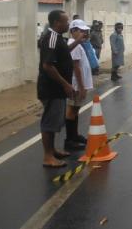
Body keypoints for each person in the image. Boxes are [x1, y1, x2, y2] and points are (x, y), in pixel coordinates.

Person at [37, 10, 84, 167]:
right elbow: (48, 65)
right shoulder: (50, 38)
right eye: (65, 21)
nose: (68, 24)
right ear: (57, 23)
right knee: (49, 123)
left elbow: (64, 53)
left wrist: (77, 41)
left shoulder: (58, 38)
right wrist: (65, 83)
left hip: (58, 89)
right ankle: (47, 156)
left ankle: (53, 151)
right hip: (51, 89)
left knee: (55, 121)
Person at [64, 20, 94, 150]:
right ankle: (69, 140)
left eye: (84, 31)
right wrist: (81, 87)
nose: (83, 33)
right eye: (81, 31)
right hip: (76, 85)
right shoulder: (73, 44)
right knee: (71, 110)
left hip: (79, 84)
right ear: (73, 31)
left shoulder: (78, 44)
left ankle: (74, 136)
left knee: (76, 110)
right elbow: (76, 67)